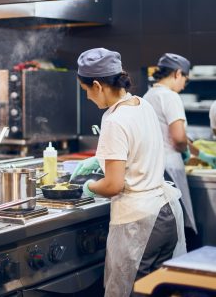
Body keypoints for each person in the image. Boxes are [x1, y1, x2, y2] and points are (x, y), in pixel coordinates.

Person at [72, 47, 186, 297]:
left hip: (140, 224)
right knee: (158, 292)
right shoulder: (141, 104)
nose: (88, 98)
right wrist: (99, 160)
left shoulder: (114, 119)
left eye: (86, 91)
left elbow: (113, 186)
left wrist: (87, 187)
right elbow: (137, 151)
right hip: (165, 214)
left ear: (97, 86)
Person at [143, 53, 216, 236]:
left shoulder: (148, 95)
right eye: (185, 78)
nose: (184, 85)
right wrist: (187, 152)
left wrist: (197, 152)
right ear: (177, 73)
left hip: (153, 166)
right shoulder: (170, 97)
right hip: (171, 166)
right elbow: (179, 138)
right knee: (179, 220)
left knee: (164, 220)